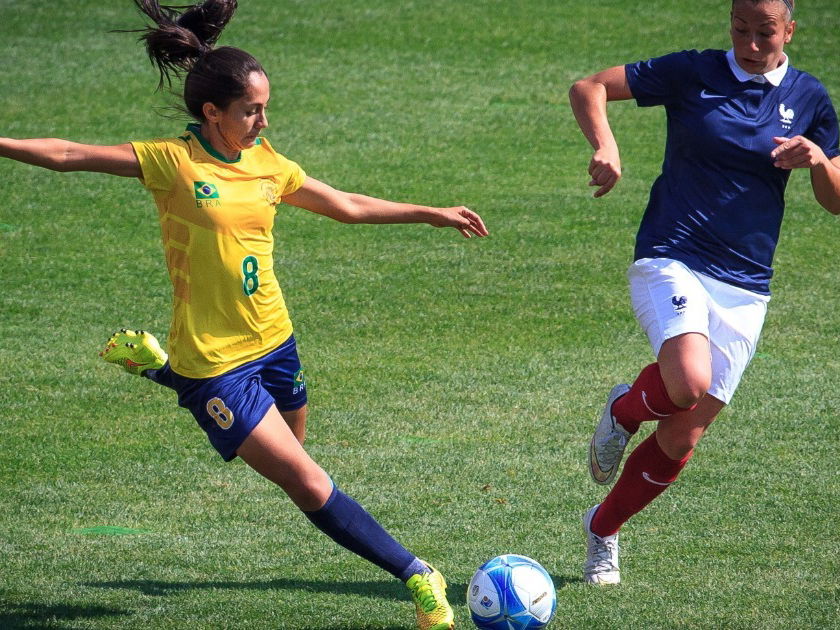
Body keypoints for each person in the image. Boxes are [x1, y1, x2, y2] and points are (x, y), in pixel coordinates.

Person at [0, 1, 489, 627]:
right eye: (250, 110)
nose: (263, 120)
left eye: (265, 107)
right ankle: (419, 576)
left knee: (299, 453)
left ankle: (158, 368)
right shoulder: (174, 164)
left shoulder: (266, 162)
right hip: (215, 361)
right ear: (212, 113)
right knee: (308, 484)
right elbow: (69, 153)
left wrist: (430, 211)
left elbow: (344, 205)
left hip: (275, 338)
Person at [568, 0, 839, 585]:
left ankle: (603, 528)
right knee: (686, 383)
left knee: (681, 433)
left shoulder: (810, 98)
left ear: (789, 30)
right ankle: (624, 410)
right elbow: (589, 87)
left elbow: (836, 197)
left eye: (764, 32)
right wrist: (607, 146)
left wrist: (816, 157)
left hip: (746, 287)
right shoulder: (694, 71)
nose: (750, 42)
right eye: (740, 29)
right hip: (673, 255)